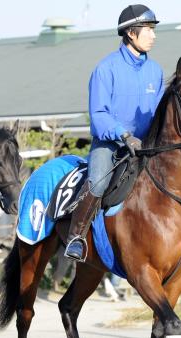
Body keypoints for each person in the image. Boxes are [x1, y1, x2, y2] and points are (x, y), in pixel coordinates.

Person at [65, 4, 164, 262]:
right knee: (97, 181)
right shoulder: (105, 69)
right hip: (110, 144)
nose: (153, 36)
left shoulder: (156, 71)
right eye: (149, 30)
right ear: (131, 33)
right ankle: (76, 238)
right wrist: (123, 135)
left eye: (153, 30)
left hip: (145, 146)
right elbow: (98, 115)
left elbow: (159, 114)